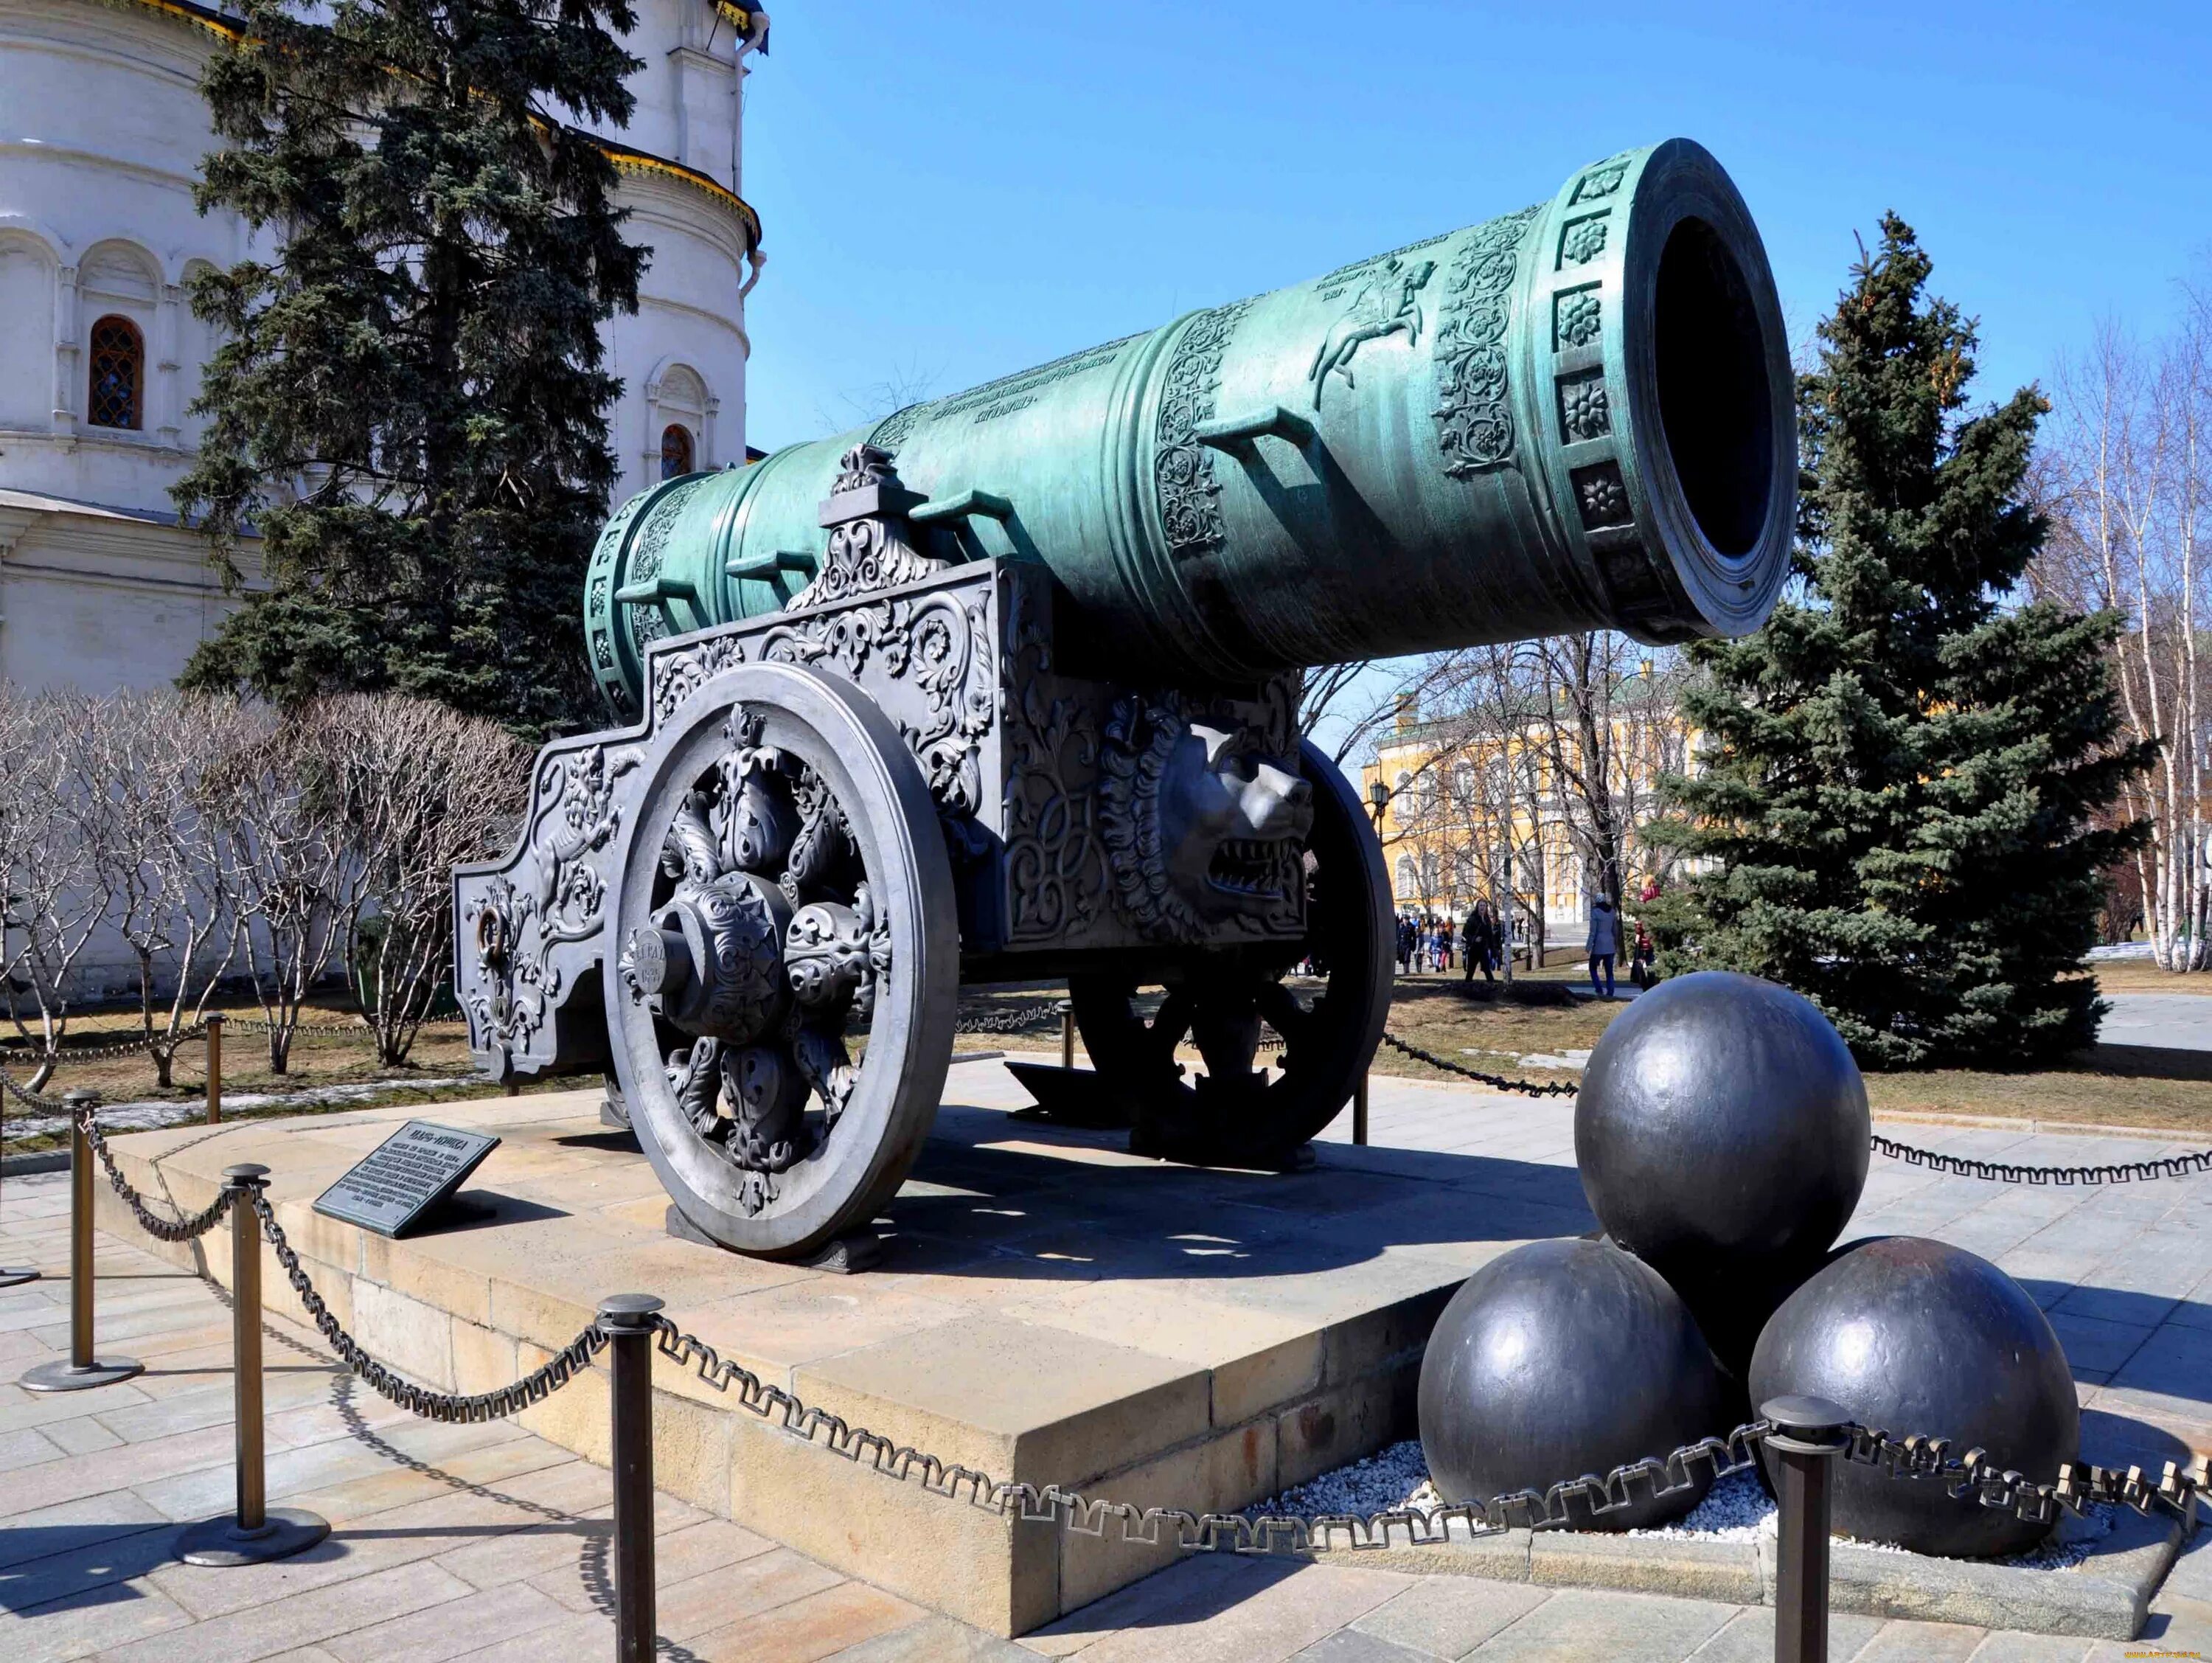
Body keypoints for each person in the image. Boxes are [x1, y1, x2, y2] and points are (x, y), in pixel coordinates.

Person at [1586, 893, 1619, 999]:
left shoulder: (1595, 913)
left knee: (1592, 968)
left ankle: (1599, 988)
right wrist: (1615, 943)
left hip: (1599, 946)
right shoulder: (1612, 912)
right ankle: (1611, 991)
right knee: (1609, 971)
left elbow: (1593, 932)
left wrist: (1589, 946)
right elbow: (1615, 930)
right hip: (1610, 944)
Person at [1463, 898, 1500, 984]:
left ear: (1486, 907)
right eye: (1481, 905)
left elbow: (1490, 936)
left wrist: (1494, 949)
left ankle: (1491, 986)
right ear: (1477, 907)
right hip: (1474, 949)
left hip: (1484, 948)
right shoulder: (1472, 919)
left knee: (1487, 969)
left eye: (1484, 906)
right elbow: (1465, 933)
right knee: (1471, 970)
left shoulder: (1487, 920)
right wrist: (1474, 939)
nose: (1482, 908)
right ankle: (1467, 988)